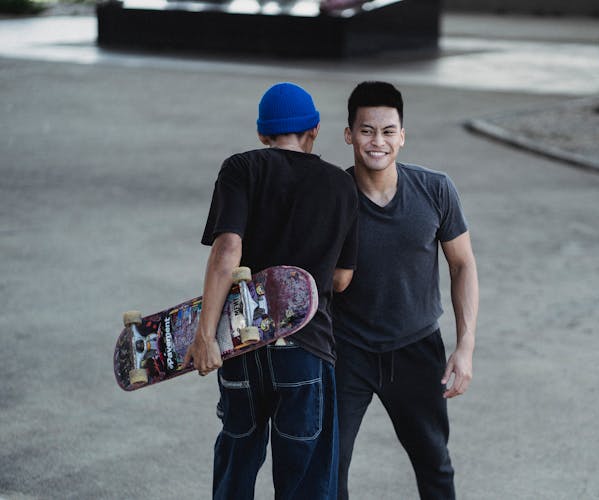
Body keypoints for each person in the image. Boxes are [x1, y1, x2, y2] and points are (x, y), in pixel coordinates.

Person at [184, 82, 359, 499]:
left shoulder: (241, 168)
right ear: (314, 130)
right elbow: (341, 279)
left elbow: (228, 250)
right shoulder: (340, 185)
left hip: (240, 344)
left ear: (263, 134)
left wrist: (205, 336)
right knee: (306, 479)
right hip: (305, 348)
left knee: (236, 462)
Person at [333, 81, 479, 499]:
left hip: (416, 349)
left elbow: (463, 264)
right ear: (348, 134)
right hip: (346, 351)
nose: (377, 141)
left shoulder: (435, 190)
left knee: (434, 464)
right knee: (328, 466)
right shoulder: (332, 196)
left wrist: (465, 347)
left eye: (387, 130)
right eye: (366, 130)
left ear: (402, 135)